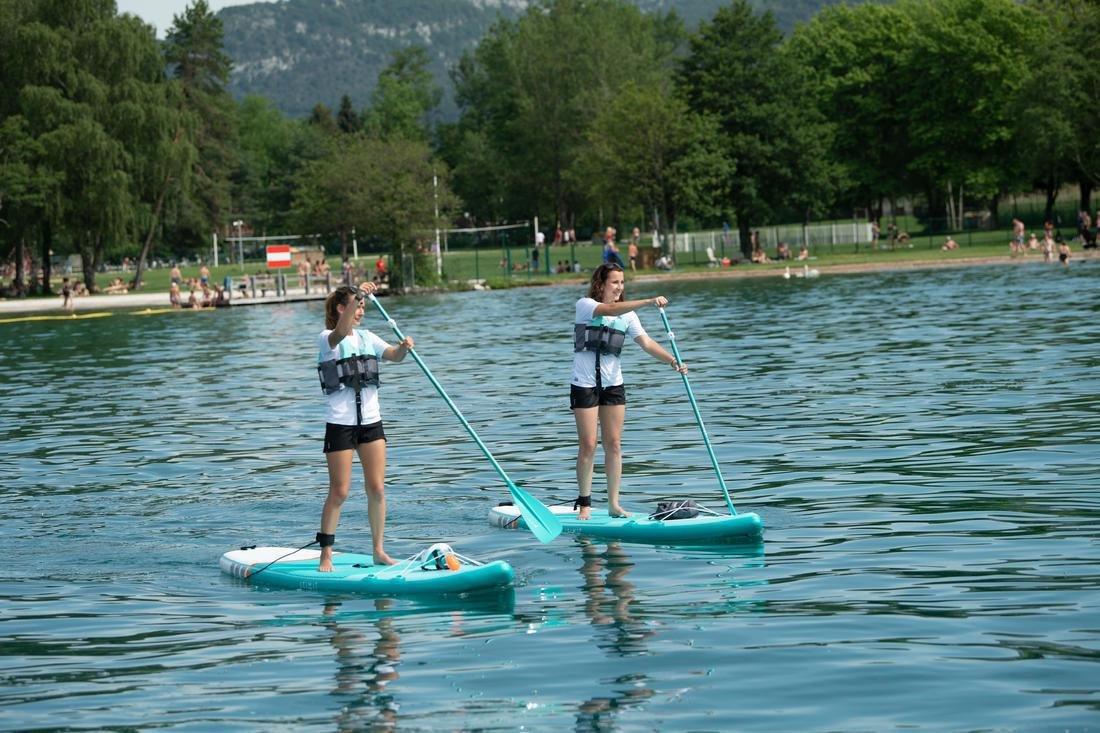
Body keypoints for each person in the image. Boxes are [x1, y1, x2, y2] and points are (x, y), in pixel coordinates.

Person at [570, 264, 687, 519]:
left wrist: (672, 361)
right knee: (588, 445)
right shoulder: (585, 305)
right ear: (601, 284)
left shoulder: (629, 316)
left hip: (613, 384)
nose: (620, 288)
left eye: (622, 283)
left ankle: (614, 504)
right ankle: (585, 503)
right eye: (615, 282)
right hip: (585, 384)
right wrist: (647, 301)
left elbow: (646, 343)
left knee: (613, 444)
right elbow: (609, 309)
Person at [316, 282, 413, 571]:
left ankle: (378, 550)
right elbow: (341, 332)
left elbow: (394, 356)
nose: (361, 309)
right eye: (356, 305)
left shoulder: (368, 337)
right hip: (341, 424)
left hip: (371, 422)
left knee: (377, 488)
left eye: (362, 305)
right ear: (340, 308)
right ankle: (326, 554)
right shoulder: (326, 339)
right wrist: (359, 292)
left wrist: (404, 347)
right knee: (340, 491)